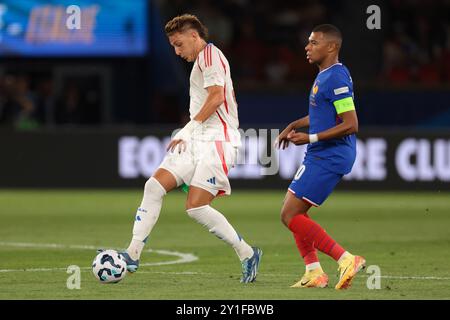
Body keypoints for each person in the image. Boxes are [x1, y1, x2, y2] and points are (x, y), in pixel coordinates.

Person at [116, 14, 262, 283]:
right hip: (197, 139)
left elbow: (217, 98)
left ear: (194, 36)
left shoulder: (209, 55)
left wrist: (187, 129)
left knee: (195, 207)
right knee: (154, 186)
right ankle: (132, 253)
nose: (177, 51)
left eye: (179, 44)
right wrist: (191, 133)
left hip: (218, 139)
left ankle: (247, 252)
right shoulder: (201, 63)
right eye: (173, 46)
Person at [275, 24, 365, 289]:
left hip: (330, 154)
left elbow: (351, 123)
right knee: (294, 212)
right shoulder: (326, 75)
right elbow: (322, 115)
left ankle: (346, 258)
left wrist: (310, 137)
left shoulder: (336, 77)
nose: (307, 47)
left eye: (314, 42)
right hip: (322, 153)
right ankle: (314, 272)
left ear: (332, 47)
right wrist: (295, 124)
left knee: (290, 215)